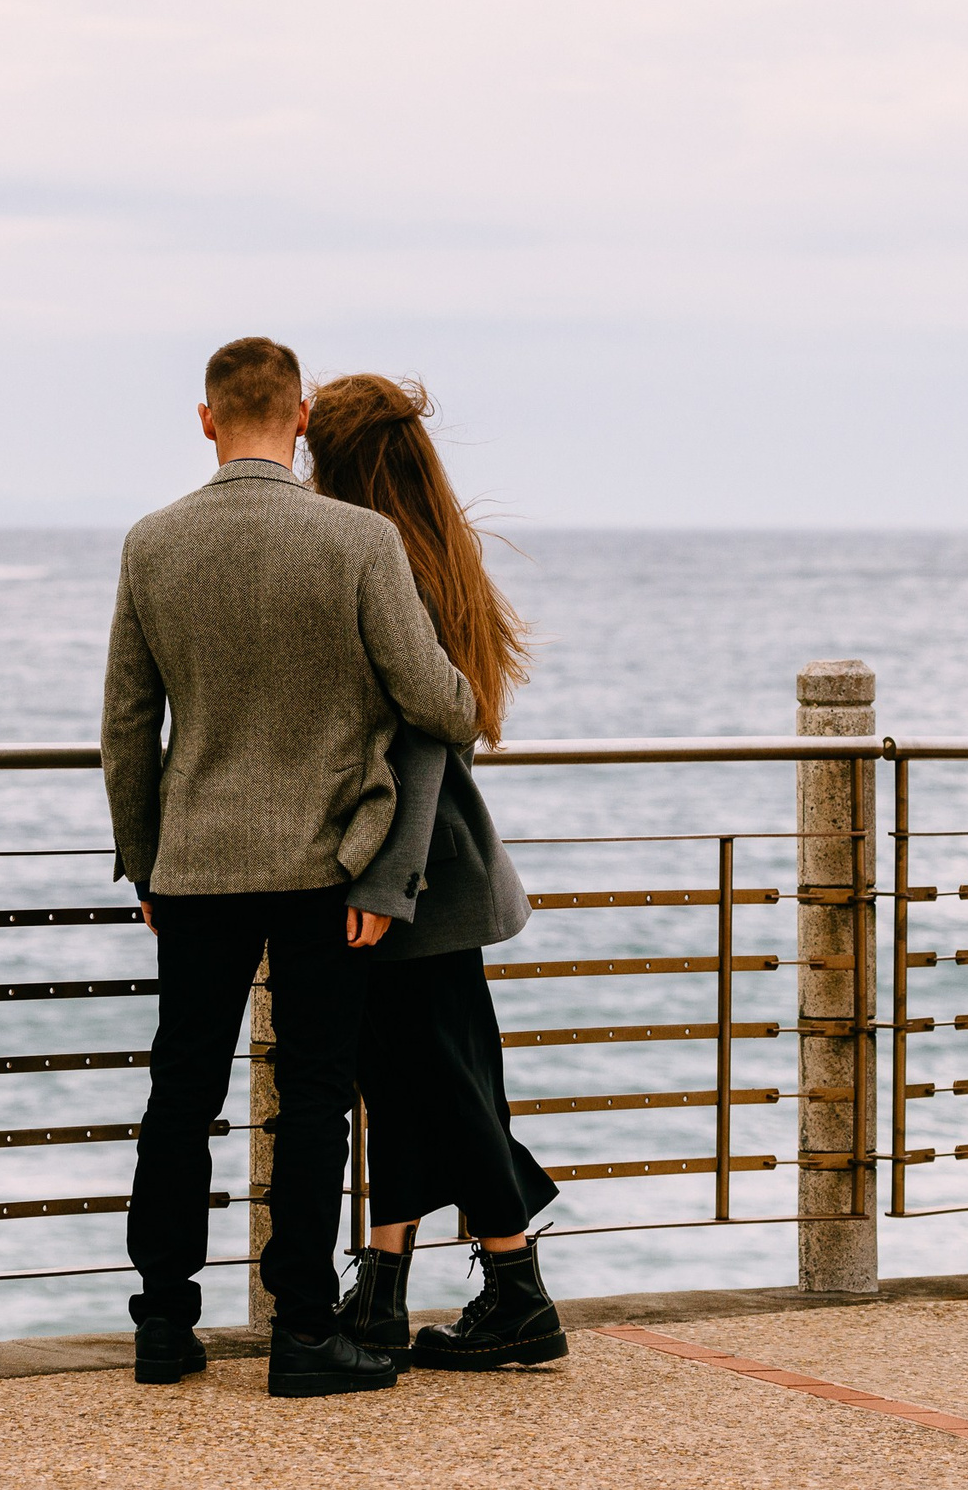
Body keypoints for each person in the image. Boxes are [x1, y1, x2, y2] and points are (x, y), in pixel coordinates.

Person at [104, 338, 480, 1398]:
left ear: (207, 418)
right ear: (301, 415)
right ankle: (304, 1335)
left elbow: (128, 724)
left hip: (194, 867)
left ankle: (164, 1327)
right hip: (327, 864)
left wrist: (143, 861)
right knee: (311, 1100)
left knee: (180, 1095)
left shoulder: (152, 544)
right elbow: (437, 701)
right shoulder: (358, 541)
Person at [312, 373, 567, 1373]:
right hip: (430, 866)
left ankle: (517, 1290)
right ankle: (381, 1290)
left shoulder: (390, 563)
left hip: (414, 872)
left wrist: (384, 884)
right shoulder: (420, 549)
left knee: (451, 1090)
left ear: (335, 463)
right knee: (412, 1081)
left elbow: (419, 745)